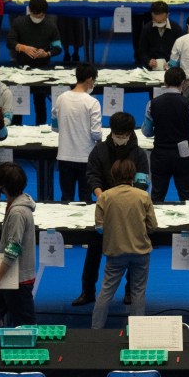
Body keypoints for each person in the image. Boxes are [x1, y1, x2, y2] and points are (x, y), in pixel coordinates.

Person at [73, 113, 150, 303]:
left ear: (131, 133)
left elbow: (141, 183)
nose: (120, 137)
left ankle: (130, 291)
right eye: (117, 133)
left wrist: (127, 200)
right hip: (105, 208)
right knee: (94, 249)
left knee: (132, 253)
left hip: (131, 211)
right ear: (112, 132)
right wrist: (103, 198)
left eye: (124, 134)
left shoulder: (139, 154)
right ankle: (88, 291)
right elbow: (92, 175)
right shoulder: (99, 151)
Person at [92, 156, 158, 328]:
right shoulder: (143, 196)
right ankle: (138, 333)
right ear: (133, 175)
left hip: (115, 252)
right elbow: (152, 226)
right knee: (138, 293)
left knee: (106, 292)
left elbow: (99, 227)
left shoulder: (105, 197)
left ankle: (95, 331)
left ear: (113, 175)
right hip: (140, 252)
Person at [0, 161, 38, 326]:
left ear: (2, 186)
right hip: (7, 275)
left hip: (18, 280)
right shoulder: (14, 204)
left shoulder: (18, 212)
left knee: (23, 326)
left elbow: (13, 249)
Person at [144, 66, 189, 202]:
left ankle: (154, 223)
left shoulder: (152, 104)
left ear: (164, 83)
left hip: (160, 154)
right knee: (187, 196)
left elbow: (147, 132)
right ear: (182, 83)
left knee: (157, 196)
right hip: (183, 154)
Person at [54, 63, 103, 202]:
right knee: (86, 198)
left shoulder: (61, 98)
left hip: (64, 156)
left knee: (66, 197)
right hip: (86, 158)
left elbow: (55, 126)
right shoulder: (92, 102)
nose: (94, 83)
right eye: (94, 80)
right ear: (89, 79)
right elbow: (96, 134)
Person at [8, 0, 63, 70]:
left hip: (44, 65)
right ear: (29, 10)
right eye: (34, 15)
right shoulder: (18, 22)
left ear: (44, 12)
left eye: (39, 16)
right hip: (22, 64)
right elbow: (10, 42)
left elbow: (58, 47)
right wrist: (22, 47)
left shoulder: (51, 25)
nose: (36, 17)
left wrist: (46, 54)